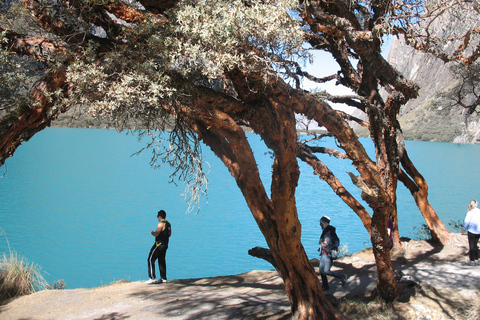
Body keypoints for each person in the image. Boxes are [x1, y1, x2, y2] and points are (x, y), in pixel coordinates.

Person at [318, 215, 347, 290]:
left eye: (321, 223)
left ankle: (341, 276)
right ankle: (325, 286)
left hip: (329, 254)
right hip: (324, 253)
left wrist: (327, 246)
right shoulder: (325, 230)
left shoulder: (330, 231)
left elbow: (336, 243)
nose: (320, 224)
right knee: (321, 271)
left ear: (324, 223)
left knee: (326, 271)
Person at [146, 210, 172, 284]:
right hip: (165, 245)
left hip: (158, 245)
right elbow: (169, 234)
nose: (157, 218)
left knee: (150, 259)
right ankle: (163, 278)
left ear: (160, 217)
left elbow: (156, 234)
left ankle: (152, 277)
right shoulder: (168, 224)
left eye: (157, 216)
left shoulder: (160, 224)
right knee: (161, 260)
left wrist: (152, 232)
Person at [462, 200, 480, 266]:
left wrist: (463, 229)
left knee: (471, 246)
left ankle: (472, 260)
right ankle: (476, 259)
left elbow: (467, 222)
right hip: (478, 231)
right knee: (475, 245)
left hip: (471, 231)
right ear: (477, 205)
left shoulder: (470, 212)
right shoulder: (479, 211)